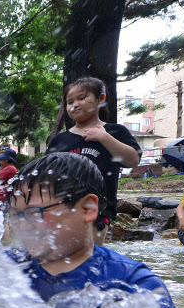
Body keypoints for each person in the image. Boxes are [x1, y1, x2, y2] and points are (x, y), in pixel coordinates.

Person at [4, 153, 181, 308]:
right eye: (14, 214)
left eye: (34, 213)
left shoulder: (131, 282)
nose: (22, 226)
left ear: (87, 209)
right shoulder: (7, 267)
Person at [47, 77, 141, 245]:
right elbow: (47, 176)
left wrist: (105, 138)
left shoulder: (115, 131)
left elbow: (133, 160)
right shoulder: (60, 140)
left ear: (101, 99)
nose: (74, 104)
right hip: (62, 207)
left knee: (89, 255)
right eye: (69, 101)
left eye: (82, 98)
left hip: (98, 209)